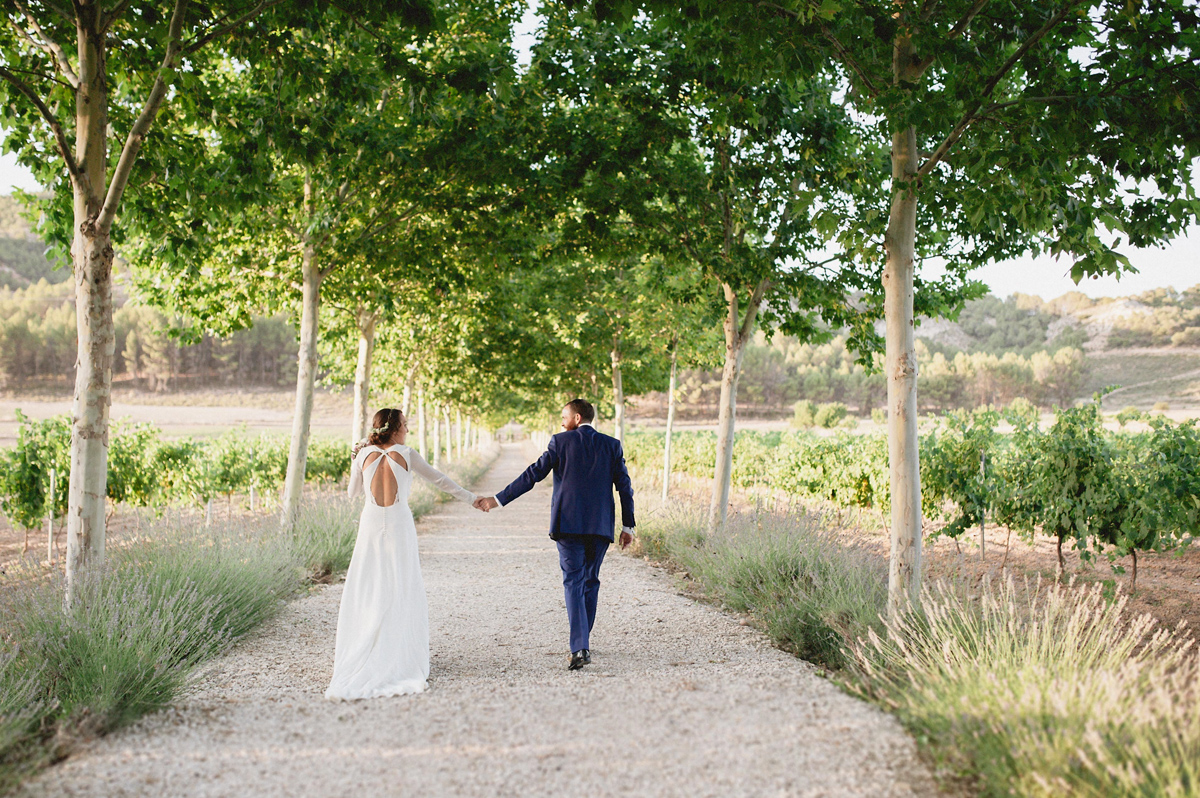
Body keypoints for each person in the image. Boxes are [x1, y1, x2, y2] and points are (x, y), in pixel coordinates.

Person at [325, 407, 477, 700]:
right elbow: (440, 480)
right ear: (394, 428)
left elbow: (352, 494)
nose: (407, 429)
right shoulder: (407, 454)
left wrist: (356, 460)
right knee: (401, 584)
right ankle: (399, 655)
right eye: (405, 424)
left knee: (368, 586)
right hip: (398, 524)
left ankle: (368, 647)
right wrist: (472, 499)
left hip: (371, 523)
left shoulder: (362, 454)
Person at [474, 398, 635, 671]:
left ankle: (579, 646)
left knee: (573, 581)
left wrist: (498, 500)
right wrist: (627, 526)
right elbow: (625, 487)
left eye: (564, 416)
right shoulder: (612, 445)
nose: (561, 422)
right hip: (599, 526)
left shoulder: (560, 442)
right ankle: (583, 641)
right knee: (590, 580)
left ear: (576, 418)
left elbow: (532, 475)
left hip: (567, 524)